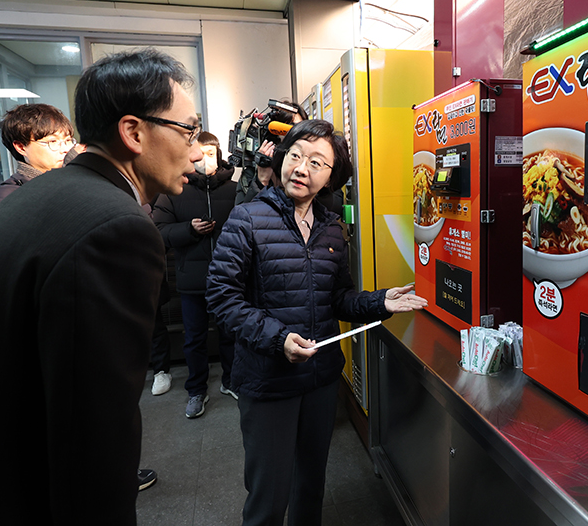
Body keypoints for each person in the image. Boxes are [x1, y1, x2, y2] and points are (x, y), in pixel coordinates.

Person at [0, 49, 203, 524]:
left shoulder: (46, 193)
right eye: (187, 130)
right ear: (133, 132)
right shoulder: (115, 228)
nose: (199, 149)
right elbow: (93, 430)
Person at [206, 119, 428, 526]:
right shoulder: (247, 219)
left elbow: (338, 298)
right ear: (281, 159)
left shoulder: (331, 228)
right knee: (268, 496)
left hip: (321, 381)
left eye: (317, 162)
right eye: (295, 155)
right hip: (269, 382)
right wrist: (278, 339)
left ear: (331, 177)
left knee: (310, 487)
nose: (302, 168)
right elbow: (221, 298)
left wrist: (381, 300)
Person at [153, 131, 238, 418]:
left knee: (231, 334)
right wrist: (188, 230)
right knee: (194, 339)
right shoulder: (174, 190)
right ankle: (196, 390)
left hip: (229, 279)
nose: (205, 160)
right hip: (192, 281)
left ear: (219, 156)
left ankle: (230, 381)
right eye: (199, 154)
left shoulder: (236, 189)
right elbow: (159, 231)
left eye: (211, 154)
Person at [0, 103, 75, 217]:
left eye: (68, 140)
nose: (65, 149)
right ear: (21, 147)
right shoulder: (5, 200)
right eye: (52, 142)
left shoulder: (72, 182)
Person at [234, 99, 305, 206]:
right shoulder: (252, 173)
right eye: (288, 127)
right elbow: (241, 218)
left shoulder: (307, 168)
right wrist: (261, 181)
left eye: (301, 128)